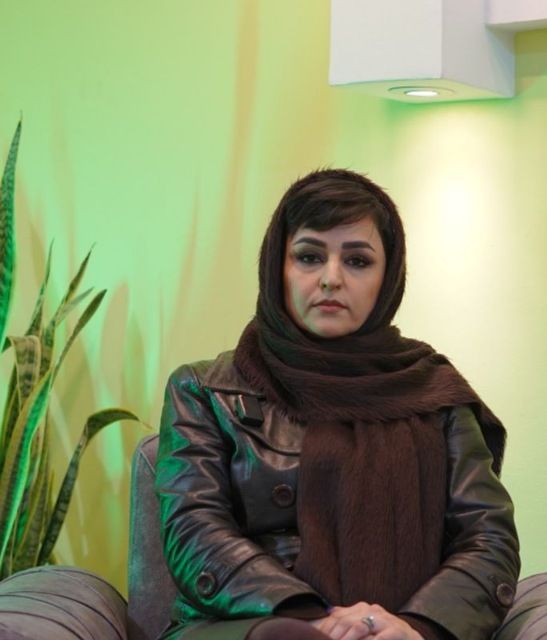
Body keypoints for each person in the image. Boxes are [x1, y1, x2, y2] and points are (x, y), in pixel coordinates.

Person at [155, 169, 520, 640]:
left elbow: (488, 538)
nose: (331, 279)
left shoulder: (437, 396)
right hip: (243, 624)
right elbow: (194, 531)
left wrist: (415, 626)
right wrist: (314, 617)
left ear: (389, 277)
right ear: (277, 268)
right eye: (309, 256)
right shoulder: (204, 390)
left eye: (357, 261)